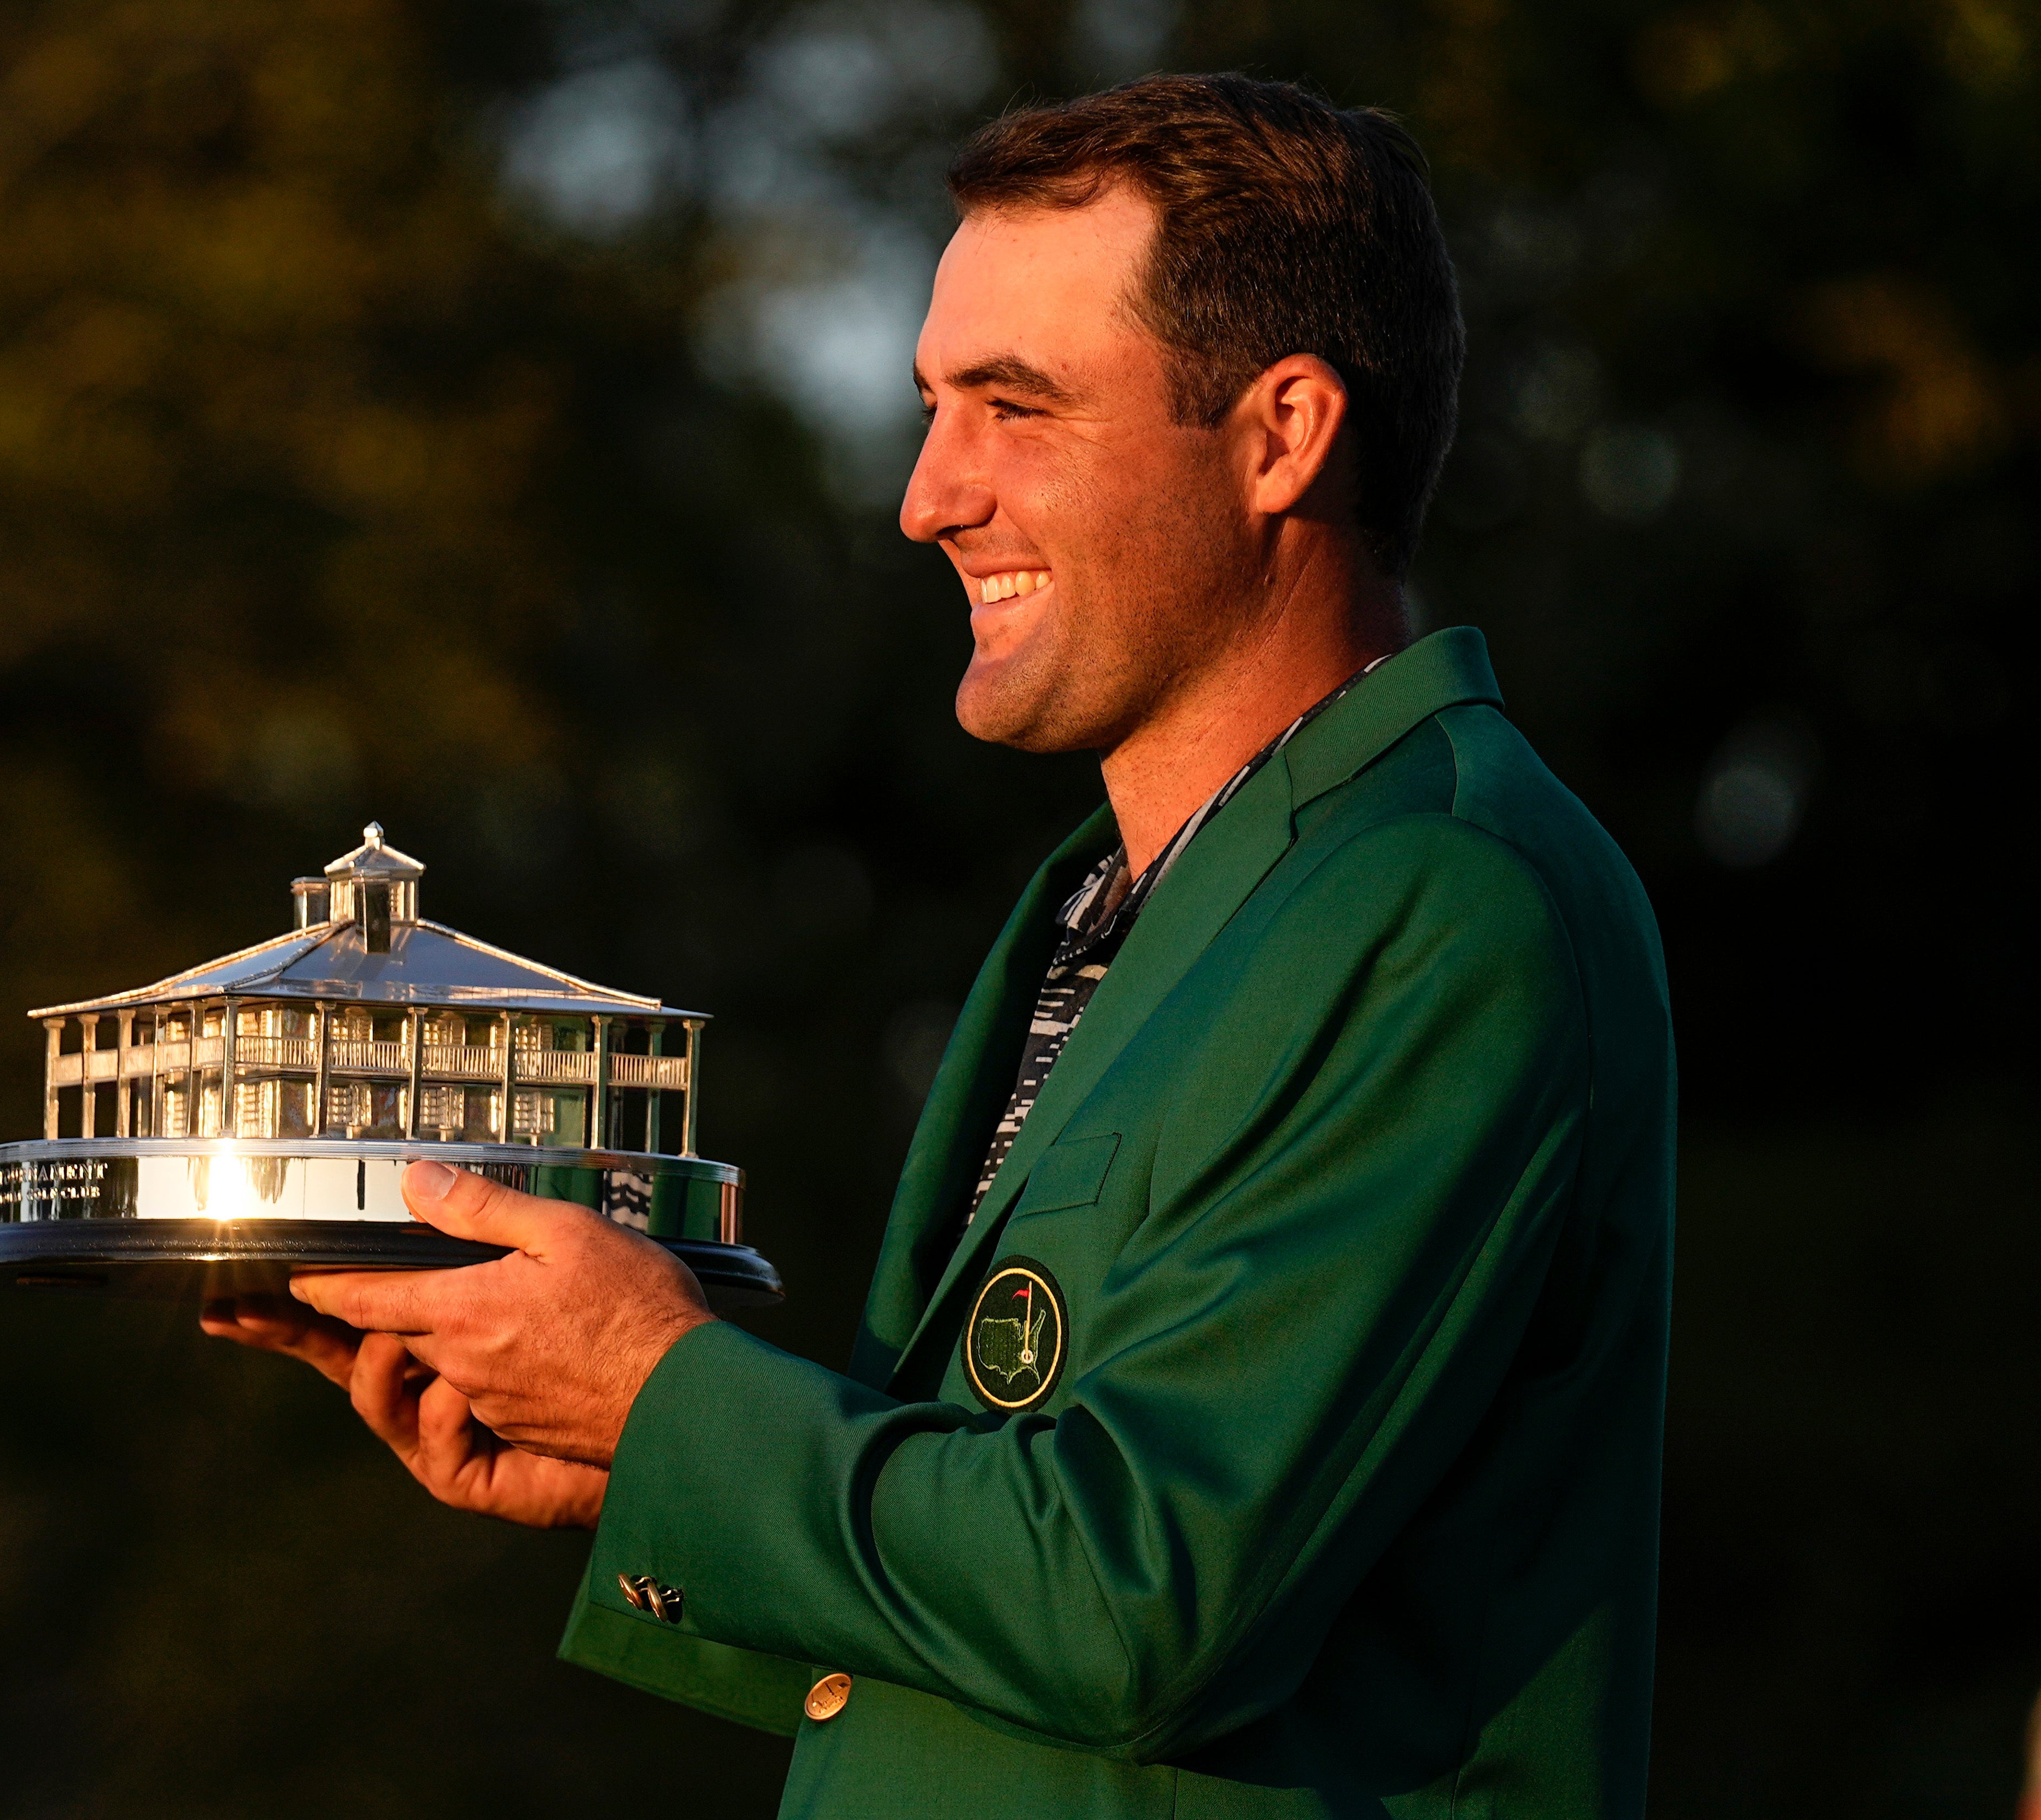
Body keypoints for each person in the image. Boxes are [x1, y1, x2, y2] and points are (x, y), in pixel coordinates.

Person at [206, 72, 1673, 1819]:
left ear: (1282, 435)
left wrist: (669, 1392)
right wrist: (627, 1460)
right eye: (930, 404)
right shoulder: (1102, 895)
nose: (924, 497)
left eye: (1014, 406)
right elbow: (1038, 1583)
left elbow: (1144, 1609)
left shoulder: (1441, 898)